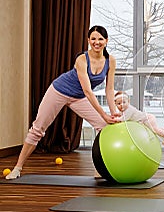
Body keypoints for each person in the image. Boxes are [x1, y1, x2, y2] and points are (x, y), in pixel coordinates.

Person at [6, 25, 120, 180]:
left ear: (106, 41)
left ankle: (99, 168)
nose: (97, 42)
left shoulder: (110, 61)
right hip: (60, 90)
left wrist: (113, 114)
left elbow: (109, 89)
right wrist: (104, 114)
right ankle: (17, 168)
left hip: (78, 97)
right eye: (93, 38)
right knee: (38, 129)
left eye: (100, 39)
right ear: (88, 40)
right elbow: (88, 91)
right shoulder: (82, 59)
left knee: (104, 127)